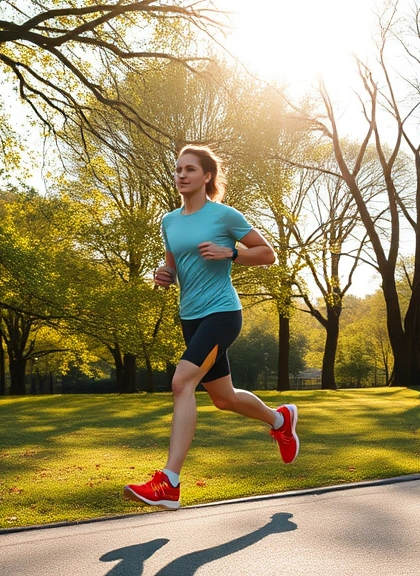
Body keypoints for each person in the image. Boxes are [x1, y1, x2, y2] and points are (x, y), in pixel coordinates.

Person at [123, 145, 299, 511]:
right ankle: (280, 419)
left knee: (181, 382)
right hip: (190, 316)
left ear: (206, 176)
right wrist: (165, 274)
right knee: (224, 398)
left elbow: (267, 254)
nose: (181, 175)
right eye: (178, 170)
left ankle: (169, 482)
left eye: (189, 169)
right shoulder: (169, 221)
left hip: (221, 313)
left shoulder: (223, 216)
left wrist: (231, 253)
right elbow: (173, 265)